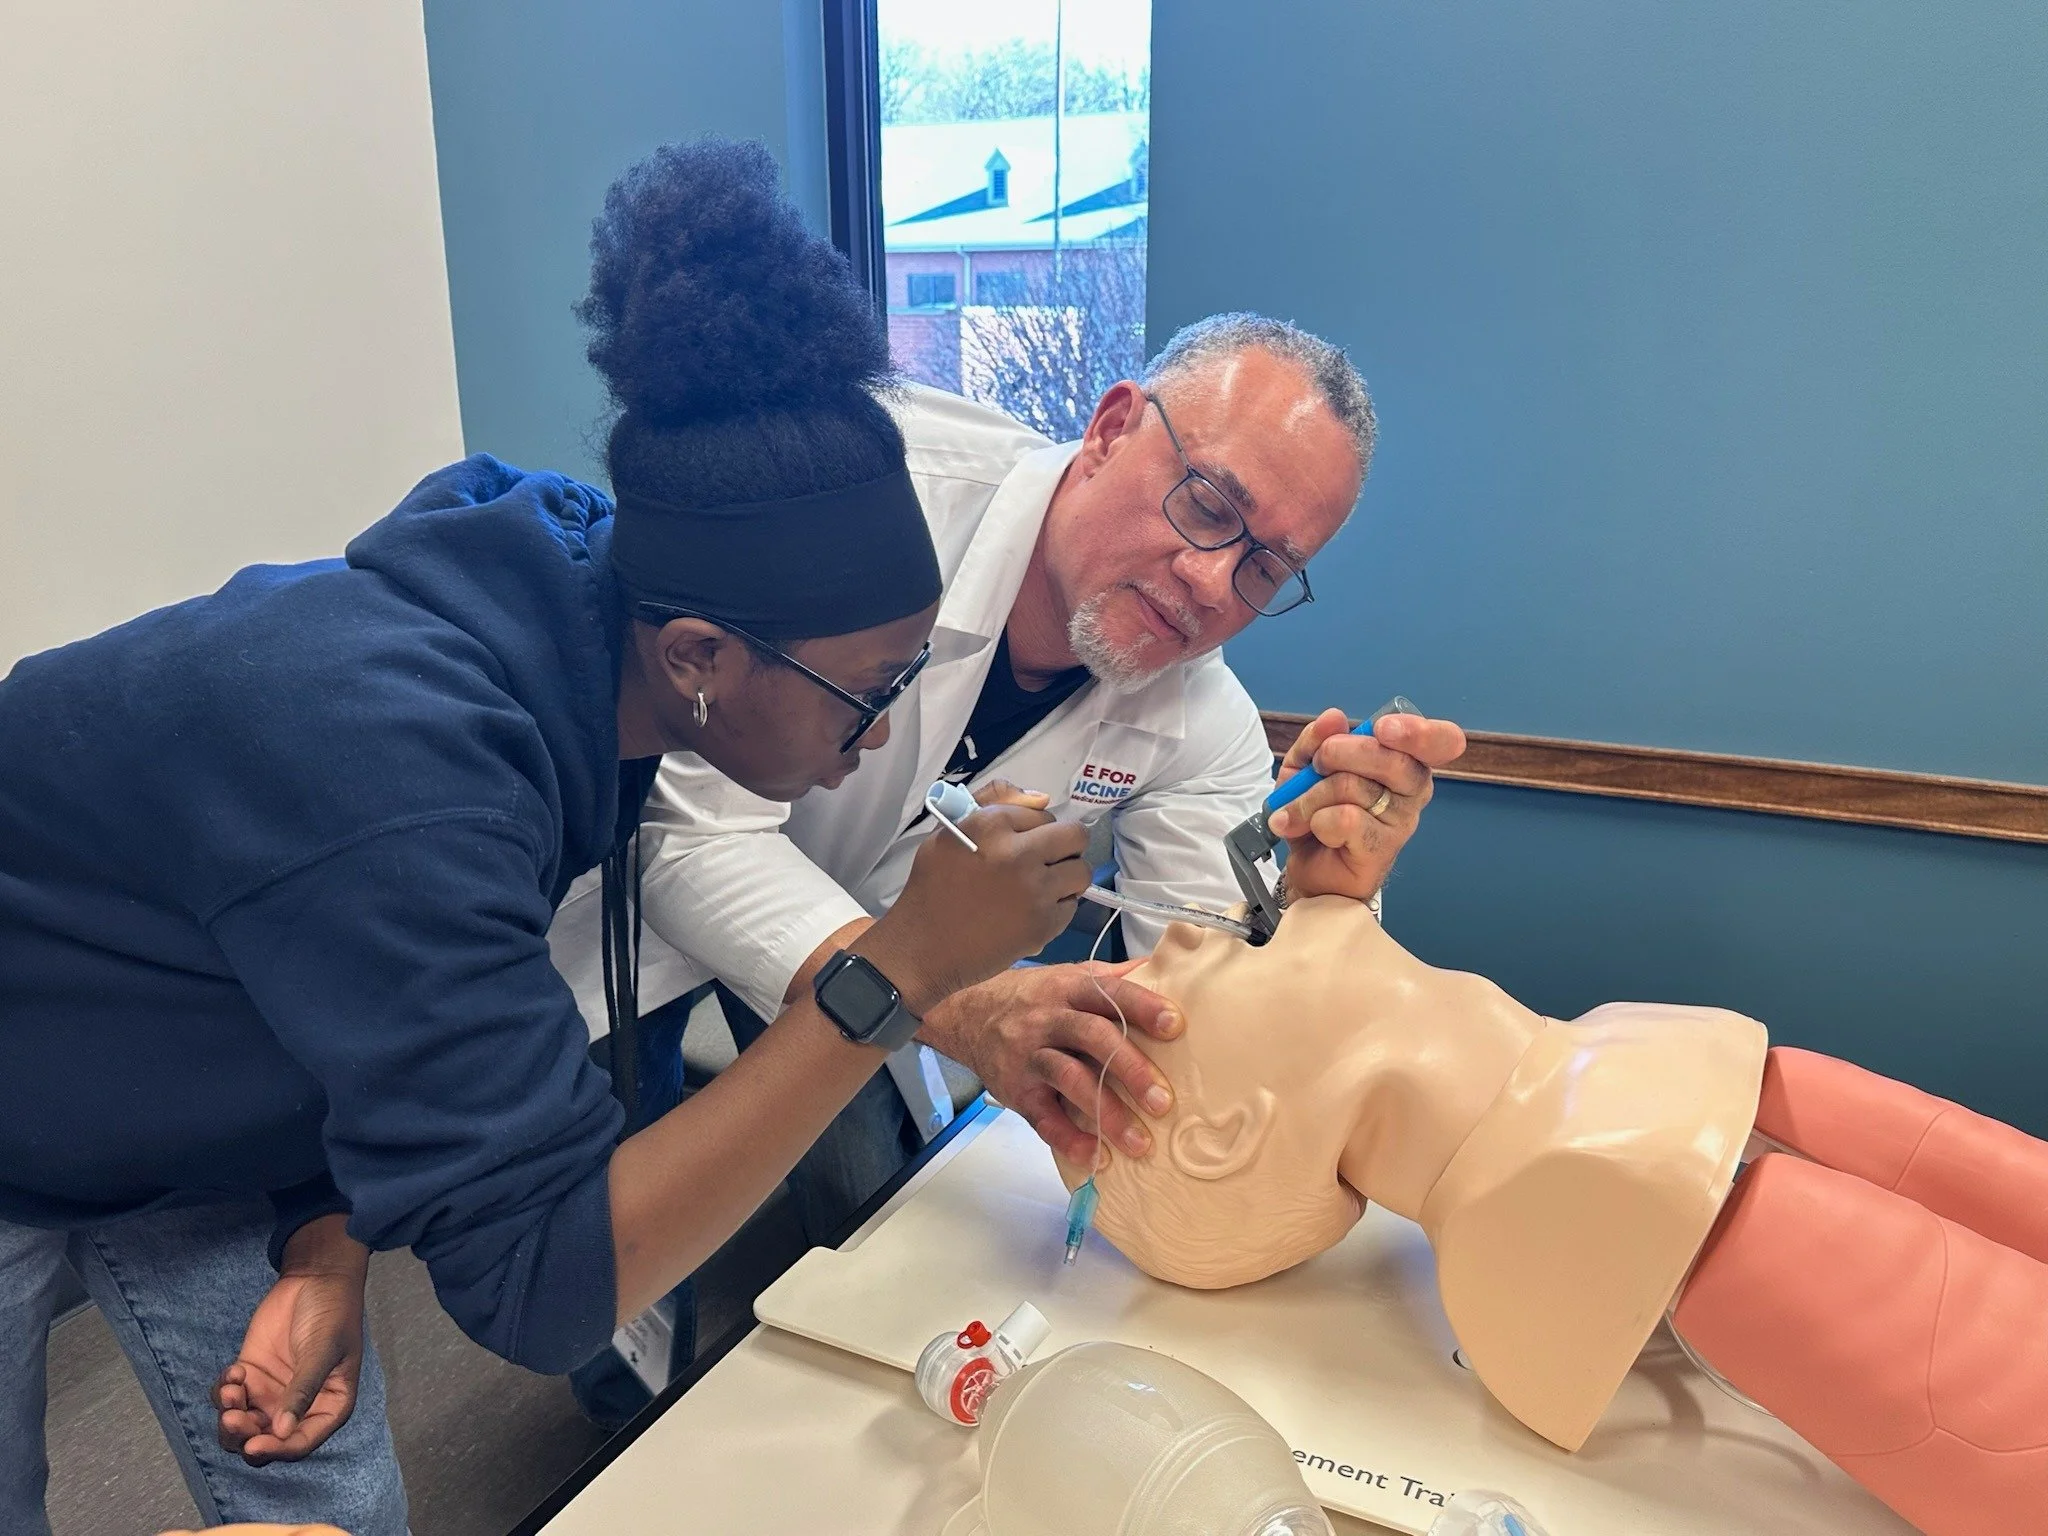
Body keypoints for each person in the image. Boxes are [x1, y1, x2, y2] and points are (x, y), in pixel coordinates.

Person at [0, 140, 1088, 1534]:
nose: (880, 737)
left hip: (187, 1113)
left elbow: (347, 982)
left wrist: (330, 1231)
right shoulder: (406, 769)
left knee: (337, 1508)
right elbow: (546, 1287)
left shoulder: (592, 614)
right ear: (701, 655)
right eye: (866, 692)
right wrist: (902, 974)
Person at [546, 314, 1472, 1415]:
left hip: (877, 951)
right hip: (641, 913)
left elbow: (1212, 961)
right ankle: (630, 1434)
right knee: (613, 1252)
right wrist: (958, 998)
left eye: (1268, 566)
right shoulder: (866, 501)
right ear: (1111, 426)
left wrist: (1323, 902)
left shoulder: (1196, 713)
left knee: (876, 1203)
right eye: (1209, 505)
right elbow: (689, 836)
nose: (1211, 582)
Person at [1062, 885, 2048, 1536]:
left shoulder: (1620, 1077)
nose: (1177, 934)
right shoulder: (1603, 1207)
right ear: (1222, 1133)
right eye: (1141, 992)